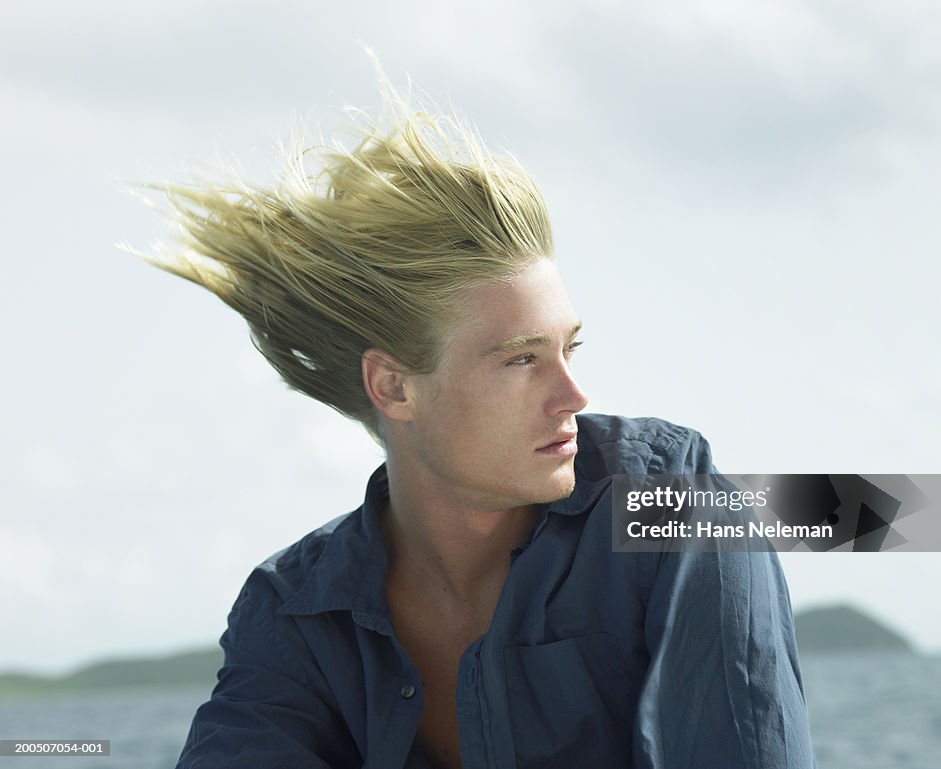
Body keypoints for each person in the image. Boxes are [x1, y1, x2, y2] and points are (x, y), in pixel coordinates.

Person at [146, 84, 817, 769]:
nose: (572, 395)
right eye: (522, 358)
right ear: (395, 386)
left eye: (569, 348)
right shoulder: (296, 613)